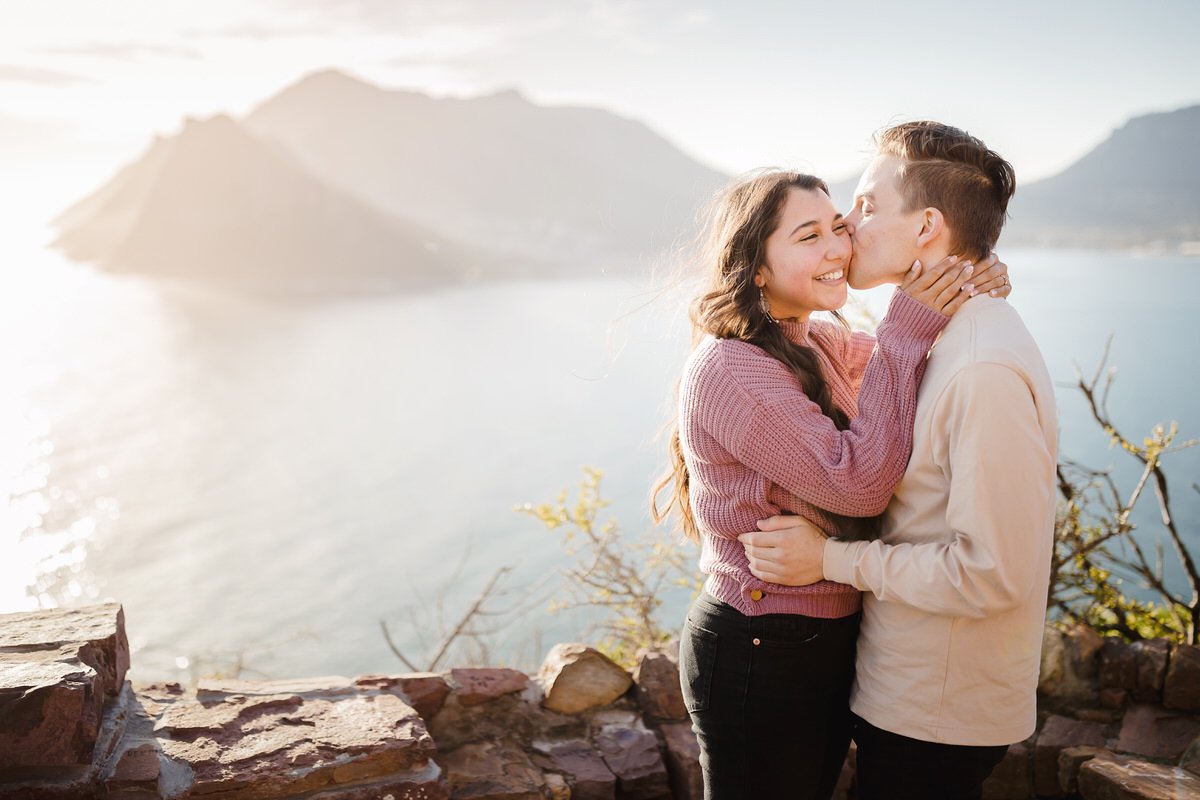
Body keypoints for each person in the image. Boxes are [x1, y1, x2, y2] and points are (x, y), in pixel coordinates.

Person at [651, 168, 1011, 800]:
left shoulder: (818, 340)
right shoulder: (731, 368)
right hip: (759, 647)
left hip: (817, 639)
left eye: (839, 229)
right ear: (755, 267)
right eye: (808, 236)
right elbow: (859, 487)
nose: (838, 248)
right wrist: (903, 331)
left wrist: (973, 278)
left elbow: (919, 361)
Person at [739, 122, 1056, 800]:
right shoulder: (940, 336)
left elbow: (992, 573)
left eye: (866, 206)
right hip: (913, 694)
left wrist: (829, 561)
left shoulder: (980, 369)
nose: (848, 227)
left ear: (928, 228)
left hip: (938, 711)